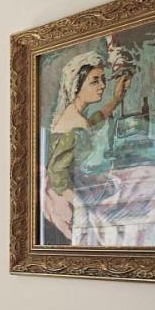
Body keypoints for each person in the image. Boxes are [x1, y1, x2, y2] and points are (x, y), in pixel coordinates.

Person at [43, 50, 132, 244]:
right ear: (77, 85)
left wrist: (116, 99)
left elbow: (90, 126)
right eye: (94, 81)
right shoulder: (74, 122)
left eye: (102, 80)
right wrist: (78, 204)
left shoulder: (75, 114)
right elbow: (56, 172)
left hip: (74, 183)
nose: (101, 86)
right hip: (67, 191)